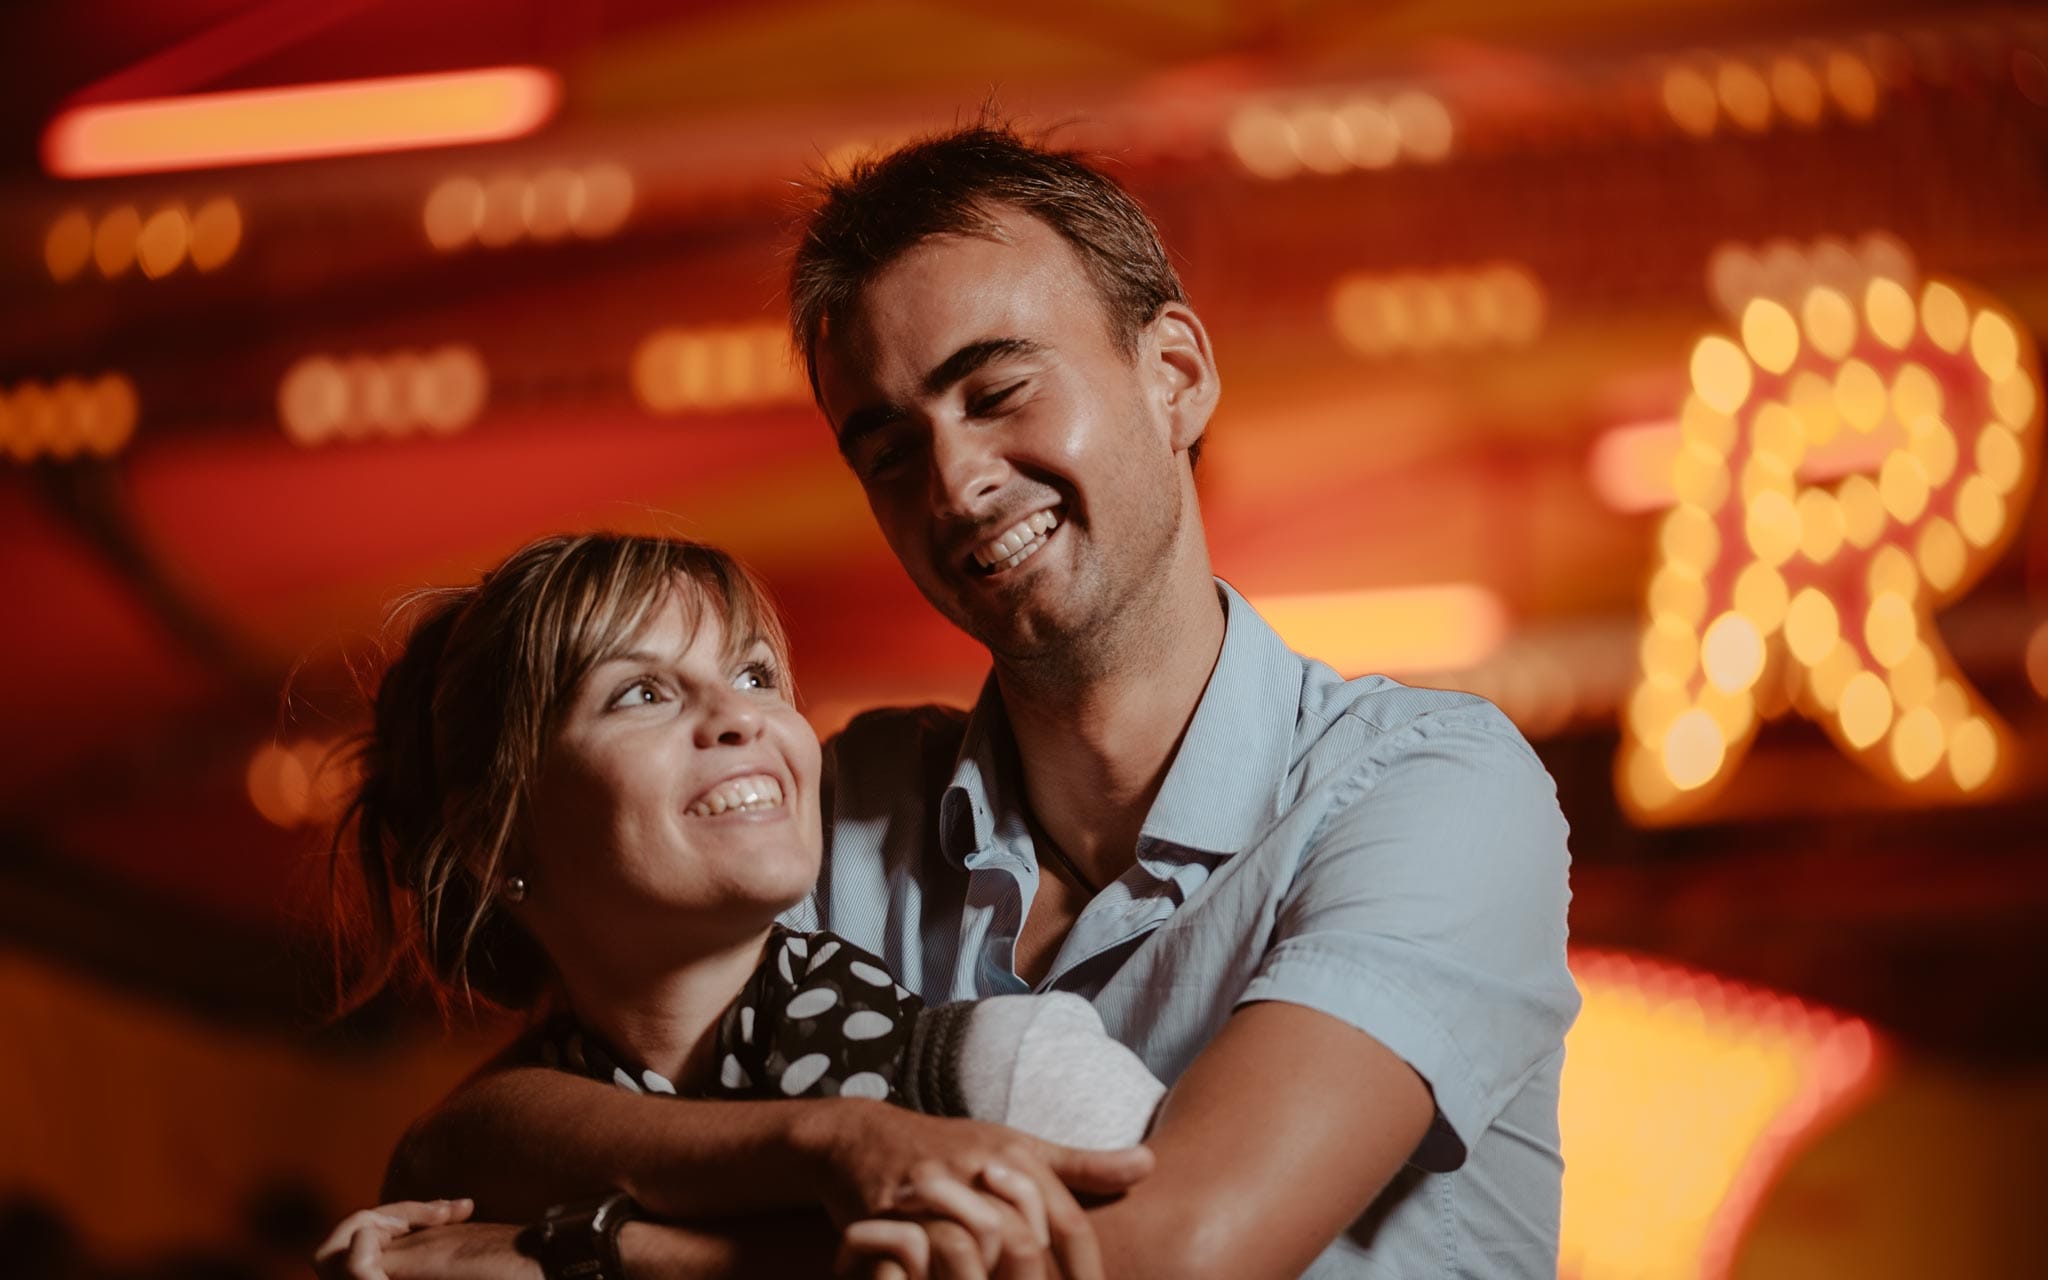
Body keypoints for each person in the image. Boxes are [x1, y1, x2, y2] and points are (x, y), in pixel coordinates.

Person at [381, 120, 1580, 1278]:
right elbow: (474, 1132)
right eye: (890, 450)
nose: (953, 482)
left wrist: (608, 1253)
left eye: (996, 390)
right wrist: (830, 1142)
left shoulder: (1430, 787)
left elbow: (1174, 1253)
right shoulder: (833, 807)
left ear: (1174, 375)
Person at [318, 533, 1167, 1279]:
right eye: (641, 693)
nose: (738, 717)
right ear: (496, 842)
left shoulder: (1002, 1074)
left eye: (755, 674)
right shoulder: (475, 1193)